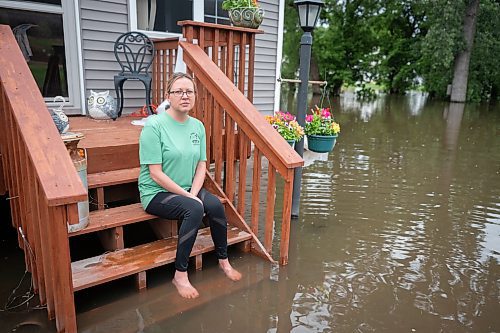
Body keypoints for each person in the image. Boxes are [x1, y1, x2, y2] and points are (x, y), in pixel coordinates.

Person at [138, 72, 242, 299]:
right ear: (168, 96)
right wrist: (191, 199)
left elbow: (201, 165)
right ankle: (180, 274)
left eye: (190, 91)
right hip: (157, 192)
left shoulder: (197, 126)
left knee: (214, 205)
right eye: (179, 91)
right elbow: (155, 174)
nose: (185, 96)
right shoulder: (154, 126)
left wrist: (193, 193)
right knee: (194, 208)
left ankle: (223, 260)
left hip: (187, 188)